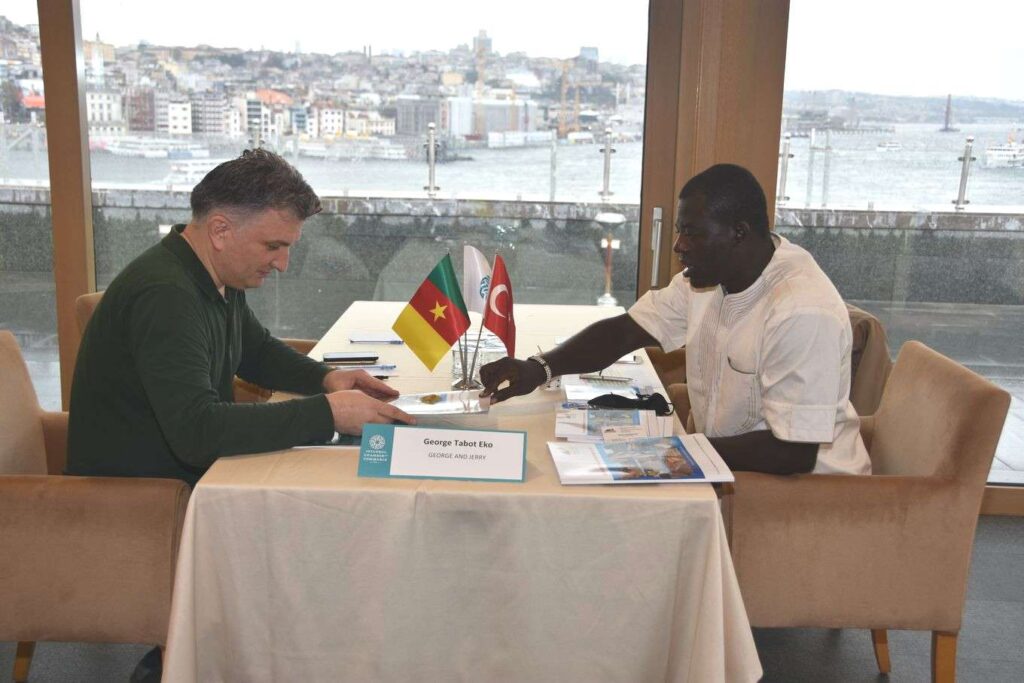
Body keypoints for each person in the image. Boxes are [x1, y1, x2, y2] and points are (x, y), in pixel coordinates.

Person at [480, 163, 870, 476]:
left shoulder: (800, 310)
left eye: (693, 233)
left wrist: (663, 452)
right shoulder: (707, 279)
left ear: (739, 232)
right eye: (681, 231)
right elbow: (624, 332)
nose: (679, 246)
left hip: (803, 494)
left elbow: (793, 452)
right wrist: (539, 368)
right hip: (729, 462)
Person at [68, 149, 415, 490]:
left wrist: (327, 379)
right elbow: (196, 432)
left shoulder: (216, 274)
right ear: (220, 231)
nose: (283, 264)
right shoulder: (165, 297)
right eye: (272, 246)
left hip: (197, 479)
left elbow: (255, 351)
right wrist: (328, 414)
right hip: (141, 500)